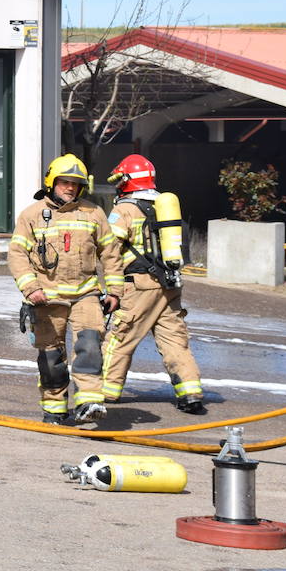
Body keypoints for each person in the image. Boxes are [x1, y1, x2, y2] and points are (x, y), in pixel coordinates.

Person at [8, 154, 123, 426]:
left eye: (75, 183)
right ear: (52, 183)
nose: (70, 188)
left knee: (90, 345)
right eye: (64, 182)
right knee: (50, 358)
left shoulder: (93, 213)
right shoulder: (32, 215)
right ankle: (54, 408)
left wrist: (115, 291)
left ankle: (89, 401)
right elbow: (17, 255)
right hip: (46, 297)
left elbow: (111, 253)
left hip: (86, 293)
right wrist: (31, 288)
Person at [99, 154, 206, 414]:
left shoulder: (124, 209)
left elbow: (110, 246)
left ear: (125, 180)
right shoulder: (164, 204)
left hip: (139, 286)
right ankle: (190, 392)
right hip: (170, 284)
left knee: (120, 337)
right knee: (174, 339)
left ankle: (105, 391)